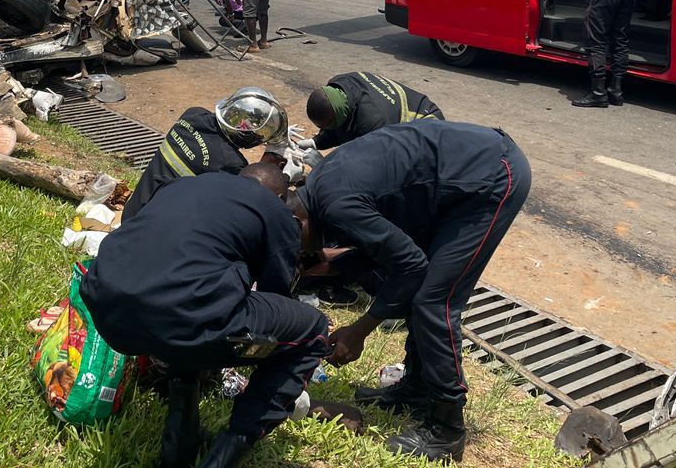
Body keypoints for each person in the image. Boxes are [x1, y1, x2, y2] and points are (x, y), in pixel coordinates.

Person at [292, 120, 532, 461]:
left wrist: (359, 331)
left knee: (434, 301)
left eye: (299, 250)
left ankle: (448, 431)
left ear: (300, 221)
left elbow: (411, 265)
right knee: (422, 293)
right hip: (448, 182)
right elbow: (386, 248)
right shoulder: (318, 186)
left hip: (491, 177)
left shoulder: (336, 205)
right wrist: (332, 263)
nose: (302, 256)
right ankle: (417, 389)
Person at [83, 167, 327, 468]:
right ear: (280, 197)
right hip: (182, 319)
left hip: (106, 307)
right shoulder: (277, 212)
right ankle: (229, 452)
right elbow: (273, 301)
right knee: (311, 330)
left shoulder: (183, 185)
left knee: (200, 298)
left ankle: (180, 441)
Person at [122, 87, 289, 220]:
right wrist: (279, 170)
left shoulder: (193, 115)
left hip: (132, 212)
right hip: (150, 230)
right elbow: (247, 193)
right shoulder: (230, 163)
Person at [301, 72, 444, 152]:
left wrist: (321, 166)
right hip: (389, 116)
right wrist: (315, 142)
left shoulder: (372, 122)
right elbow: (340, 129)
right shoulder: (339, 83)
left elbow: (365, 164)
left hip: (429, 128)